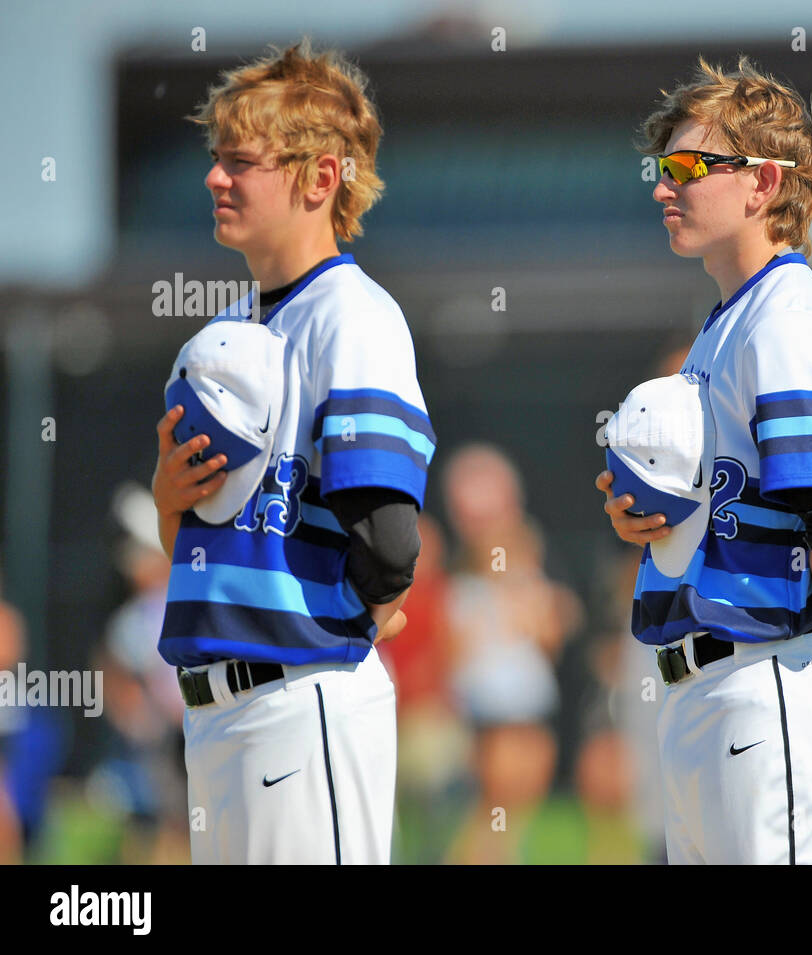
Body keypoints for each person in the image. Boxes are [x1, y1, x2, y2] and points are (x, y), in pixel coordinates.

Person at [595, 56, 812, 864]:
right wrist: (655, 513)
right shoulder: (730, 320)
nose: (663, 187)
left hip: (773, 682)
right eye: (662, 168)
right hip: (715, 692)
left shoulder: (787, 316)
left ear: (763, 183)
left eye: (688, 168)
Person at [150, 39, 435, 864]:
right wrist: (170, 500)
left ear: (320, 178)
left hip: (299, 702)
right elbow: (193, 554)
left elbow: (388, 540)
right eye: (216, 158)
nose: (215, 177)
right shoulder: (231, 328)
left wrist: (350, 621)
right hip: (219, 710)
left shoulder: (354, 316)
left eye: (241, 161)